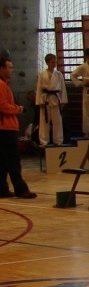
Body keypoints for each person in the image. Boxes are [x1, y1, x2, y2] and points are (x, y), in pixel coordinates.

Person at [0, 55, 37, 199]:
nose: (12, 70)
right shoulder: (1, 85)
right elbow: (2, 105)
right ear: (1, 69)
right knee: (13, 160)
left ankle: (2, 189)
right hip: (5, 128)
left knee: (2, 161)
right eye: (9, 67)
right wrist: (18, 109)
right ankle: (21, 189)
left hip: (5, 127)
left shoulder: (4, 84)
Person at [35, 53, 67, 146]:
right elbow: (39, 88)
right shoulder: (42, 74)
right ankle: (44, 141)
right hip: (45, 99)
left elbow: (63, 88)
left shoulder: (59, 74)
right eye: (53, 62)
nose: (55, 64)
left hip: (56, 99)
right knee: (44, 120)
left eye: (55, 62)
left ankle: (58, 140)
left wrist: (63, 101)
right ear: (47, 62)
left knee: (57, 121)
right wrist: (39, 101)